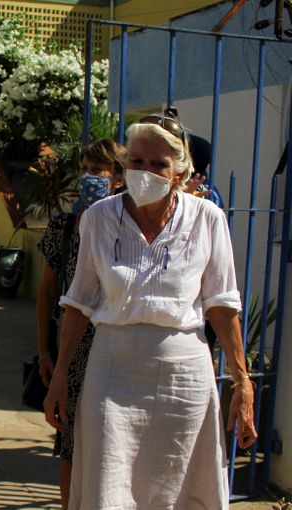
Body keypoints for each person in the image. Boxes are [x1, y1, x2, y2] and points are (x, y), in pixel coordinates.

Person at [43, 114, 258, 508]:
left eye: (159, 163)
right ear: (124, 167)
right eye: (137, 161)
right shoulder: (98, 218)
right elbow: (79, 303)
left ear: (179, 172)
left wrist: (242, 381)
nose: (146, 171)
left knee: (181, 486)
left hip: (184, 378)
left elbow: (222, 304)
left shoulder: (207, 219)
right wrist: (59, 378)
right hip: (112, 373)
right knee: (111, 484)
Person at [36, 139, 125, 510]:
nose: (90, 177)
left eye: (99, 170)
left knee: (116, 447)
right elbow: (46, 293)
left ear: (118, 177)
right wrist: (44, 349)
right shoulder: (65, 226)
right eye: (86, 169)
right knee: (72, 449)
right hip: (75, 352)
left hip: (121, 350)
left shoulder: (129, 226)